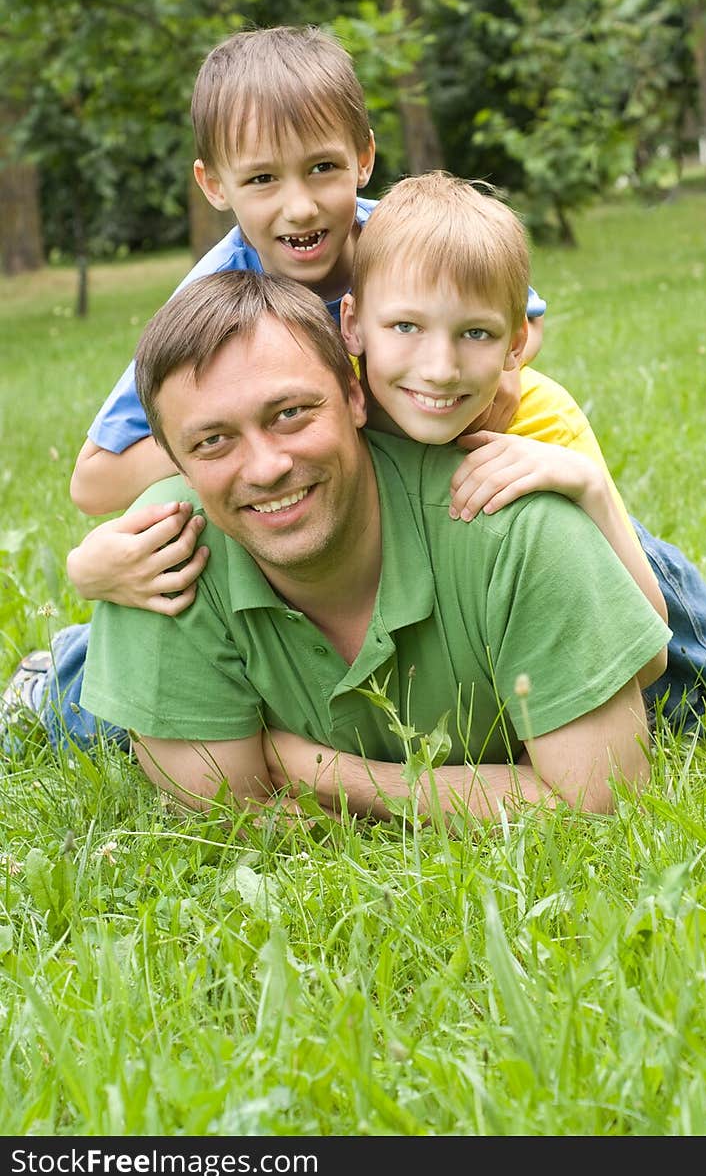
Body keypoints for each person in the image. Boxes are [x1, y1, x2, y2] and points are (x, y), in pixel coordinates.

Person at [1, 26, 706, 748]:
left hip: (447, 464)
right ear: (213, 184)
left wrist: (452, 386)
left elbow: (523, 321)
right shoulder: (212, 307)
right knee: (196, 600)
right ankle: (62, 679)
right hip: (329, 499)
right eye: (263, 178)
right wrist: (249, 437)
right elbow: (95, 477)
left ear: (364, 158)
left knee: (569, 534)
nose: (300, 204)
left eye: (322, 169)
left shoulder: (407, 242)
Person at [77, 269, 672, 823]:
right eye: (212, 441)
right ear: (175, 461)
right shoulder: (158, 555)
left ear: (356, 398)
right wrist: (499, 796)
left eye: (290, 413)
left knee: (691, 662)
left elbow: (598, 800)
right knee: (74, 707)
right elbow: (230, 816)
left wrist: (315, 769)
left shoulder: (517, 528)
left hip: (605, 586)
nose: (265, 467)